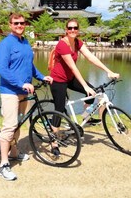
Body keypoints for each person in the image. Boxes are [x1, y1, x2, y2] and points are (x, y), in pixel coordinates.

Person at [0, 13, 53, 181]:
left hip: (24, 91)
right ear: (10, 25)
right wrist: (21, 83)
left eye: (22, 23)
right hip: (10, 91)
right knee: (9, 126)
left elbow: (30, 66)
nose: (19, 25)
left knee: (19, 123)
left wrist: (42, 77)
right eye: (16, 23)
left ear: (25, 24)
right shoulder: (5, 44)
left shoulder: (26, 42)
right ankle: (3, 165)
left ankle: (14, 153)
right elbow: (2, 70)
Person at [49, 19, 120, 150]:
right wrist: (85, 86)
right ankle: (53, 141)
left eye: (75, 28)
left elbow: (91, 57)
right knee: (59, 109)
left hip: (69, 78)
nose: (72, 30)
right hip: (58, 80)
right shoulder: (62, 45)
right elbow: (73, 68)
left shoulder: (77, 42)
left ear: (78, 30)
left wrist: (108, 71)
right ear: (66, 30)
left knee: (92, 93)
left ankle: (84, 117)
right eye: (70, 28)